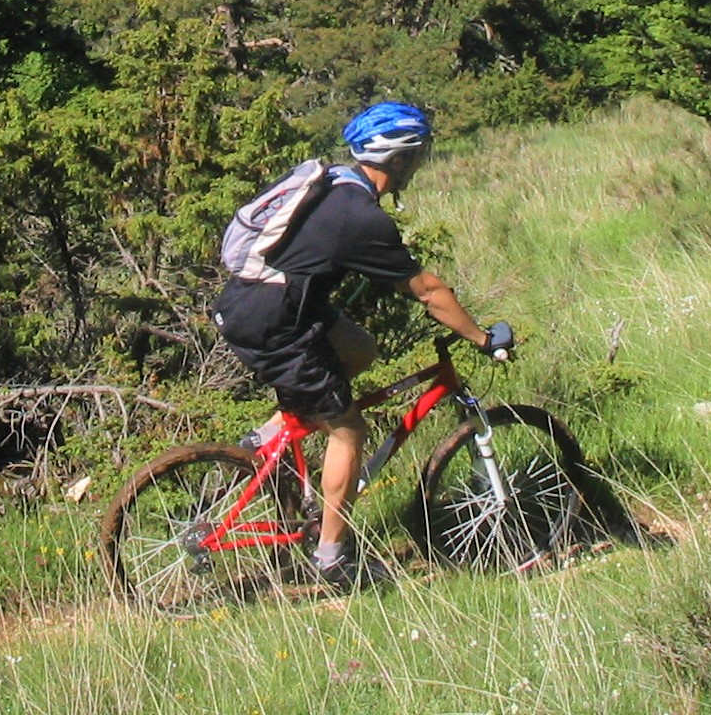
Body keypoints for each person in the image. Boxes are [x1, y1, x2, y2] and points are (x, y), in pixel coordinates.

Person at [209, 101, 512, 590]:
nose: (419, 163)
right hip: (276, 320)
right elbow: (429, 291)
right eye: (417, 154)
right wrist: (481, 337)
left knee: (359, 348)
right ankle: (332, 560)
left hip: (259, 302)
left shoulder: (336, 184)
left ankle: (270, 437)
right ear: (398, 159)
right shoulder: (362, 218)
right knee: (349, 429)